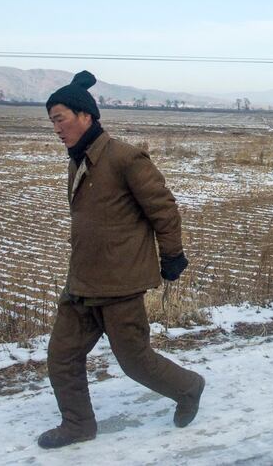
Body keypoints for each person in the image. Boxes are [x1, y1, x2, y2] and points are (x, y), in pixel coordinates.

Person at [39, 71, 205, 449]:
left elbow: (164, 209)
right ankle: (78, 424)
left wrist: (173, 255)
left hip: (119, 284)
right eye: (52, 121)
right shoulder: (78, 161)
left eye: (59, 118)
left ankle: (189, 387)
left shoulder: (125, 158)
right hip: (81, 282)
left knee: (135, 361)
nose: (56, 128)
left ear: (86, 116)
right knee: (61, 356)